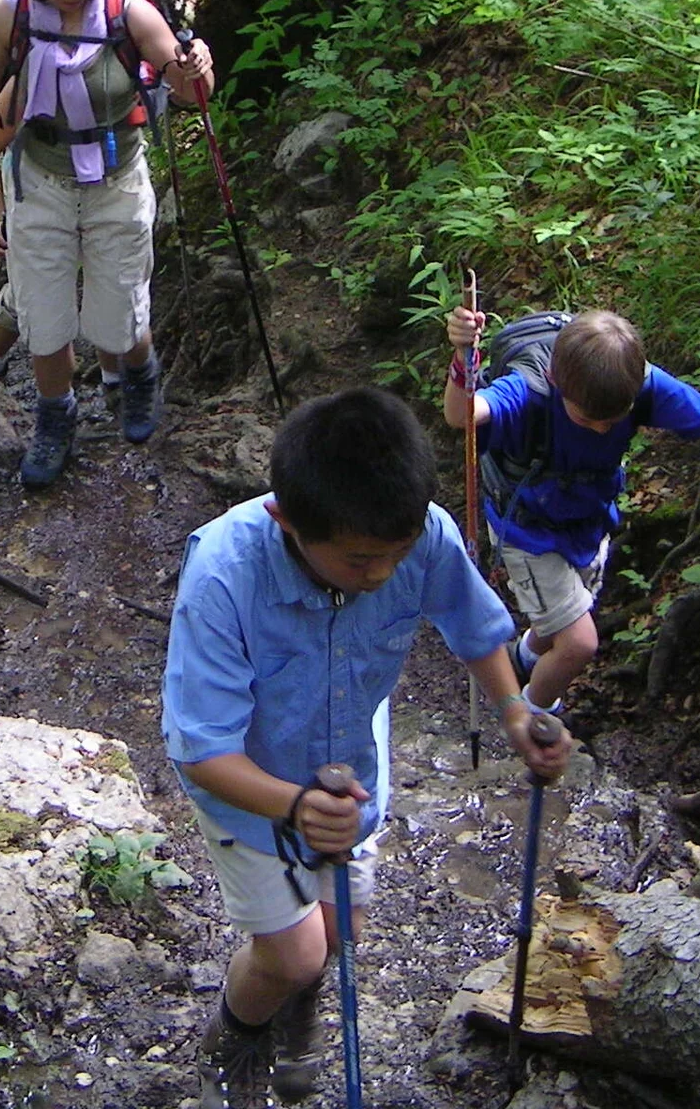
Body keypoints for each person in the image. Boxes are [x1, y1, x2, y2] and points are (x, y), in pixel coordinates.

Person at [161, 387, 571, 1107]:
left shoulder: (421, 533)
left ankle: (296, 1008)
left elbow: (475, 628)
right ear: (286, 520)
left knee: (340, 927)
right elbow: (201, 749)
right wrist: (296, 806)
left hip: (351, 770)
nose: (381, 574)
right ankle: (234, 1038)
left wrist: (514, 711)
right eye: (358, 561)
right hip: (251, 791)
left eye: (395, 555)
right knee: (295, 952)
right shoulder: (224, 574)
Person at [0, 0, 212, 488]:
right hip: (39, 181)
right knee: (43, 315)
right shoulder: (10, 13)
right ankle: (55, 417)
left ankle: (139, 376)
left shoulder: (128, 11)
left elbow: (193, 95)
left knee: (120, 311)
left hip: (117, 180)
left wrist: (198, 69)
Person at [444, 306, 700, 715]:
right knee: (578, 643)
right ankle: (532, 721)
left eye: (614, 420)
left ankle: (522, 661)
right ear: (558, 381)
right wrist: (464, 357)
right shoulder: (533, 387)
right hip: (527, 532)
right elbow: (460, 414)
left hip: (588, 525)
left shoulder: (637, 384)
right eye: (588, 419)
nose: (602, 429)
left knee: (564, 615)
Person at [0, 77, 128, 397]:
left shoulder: (126, 60)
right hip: (35, 187)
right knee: (31, 293)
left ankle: (115, 385)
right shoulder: (33, 73)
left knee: (108, 285)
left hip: (103, 186)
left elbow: (184, 94)